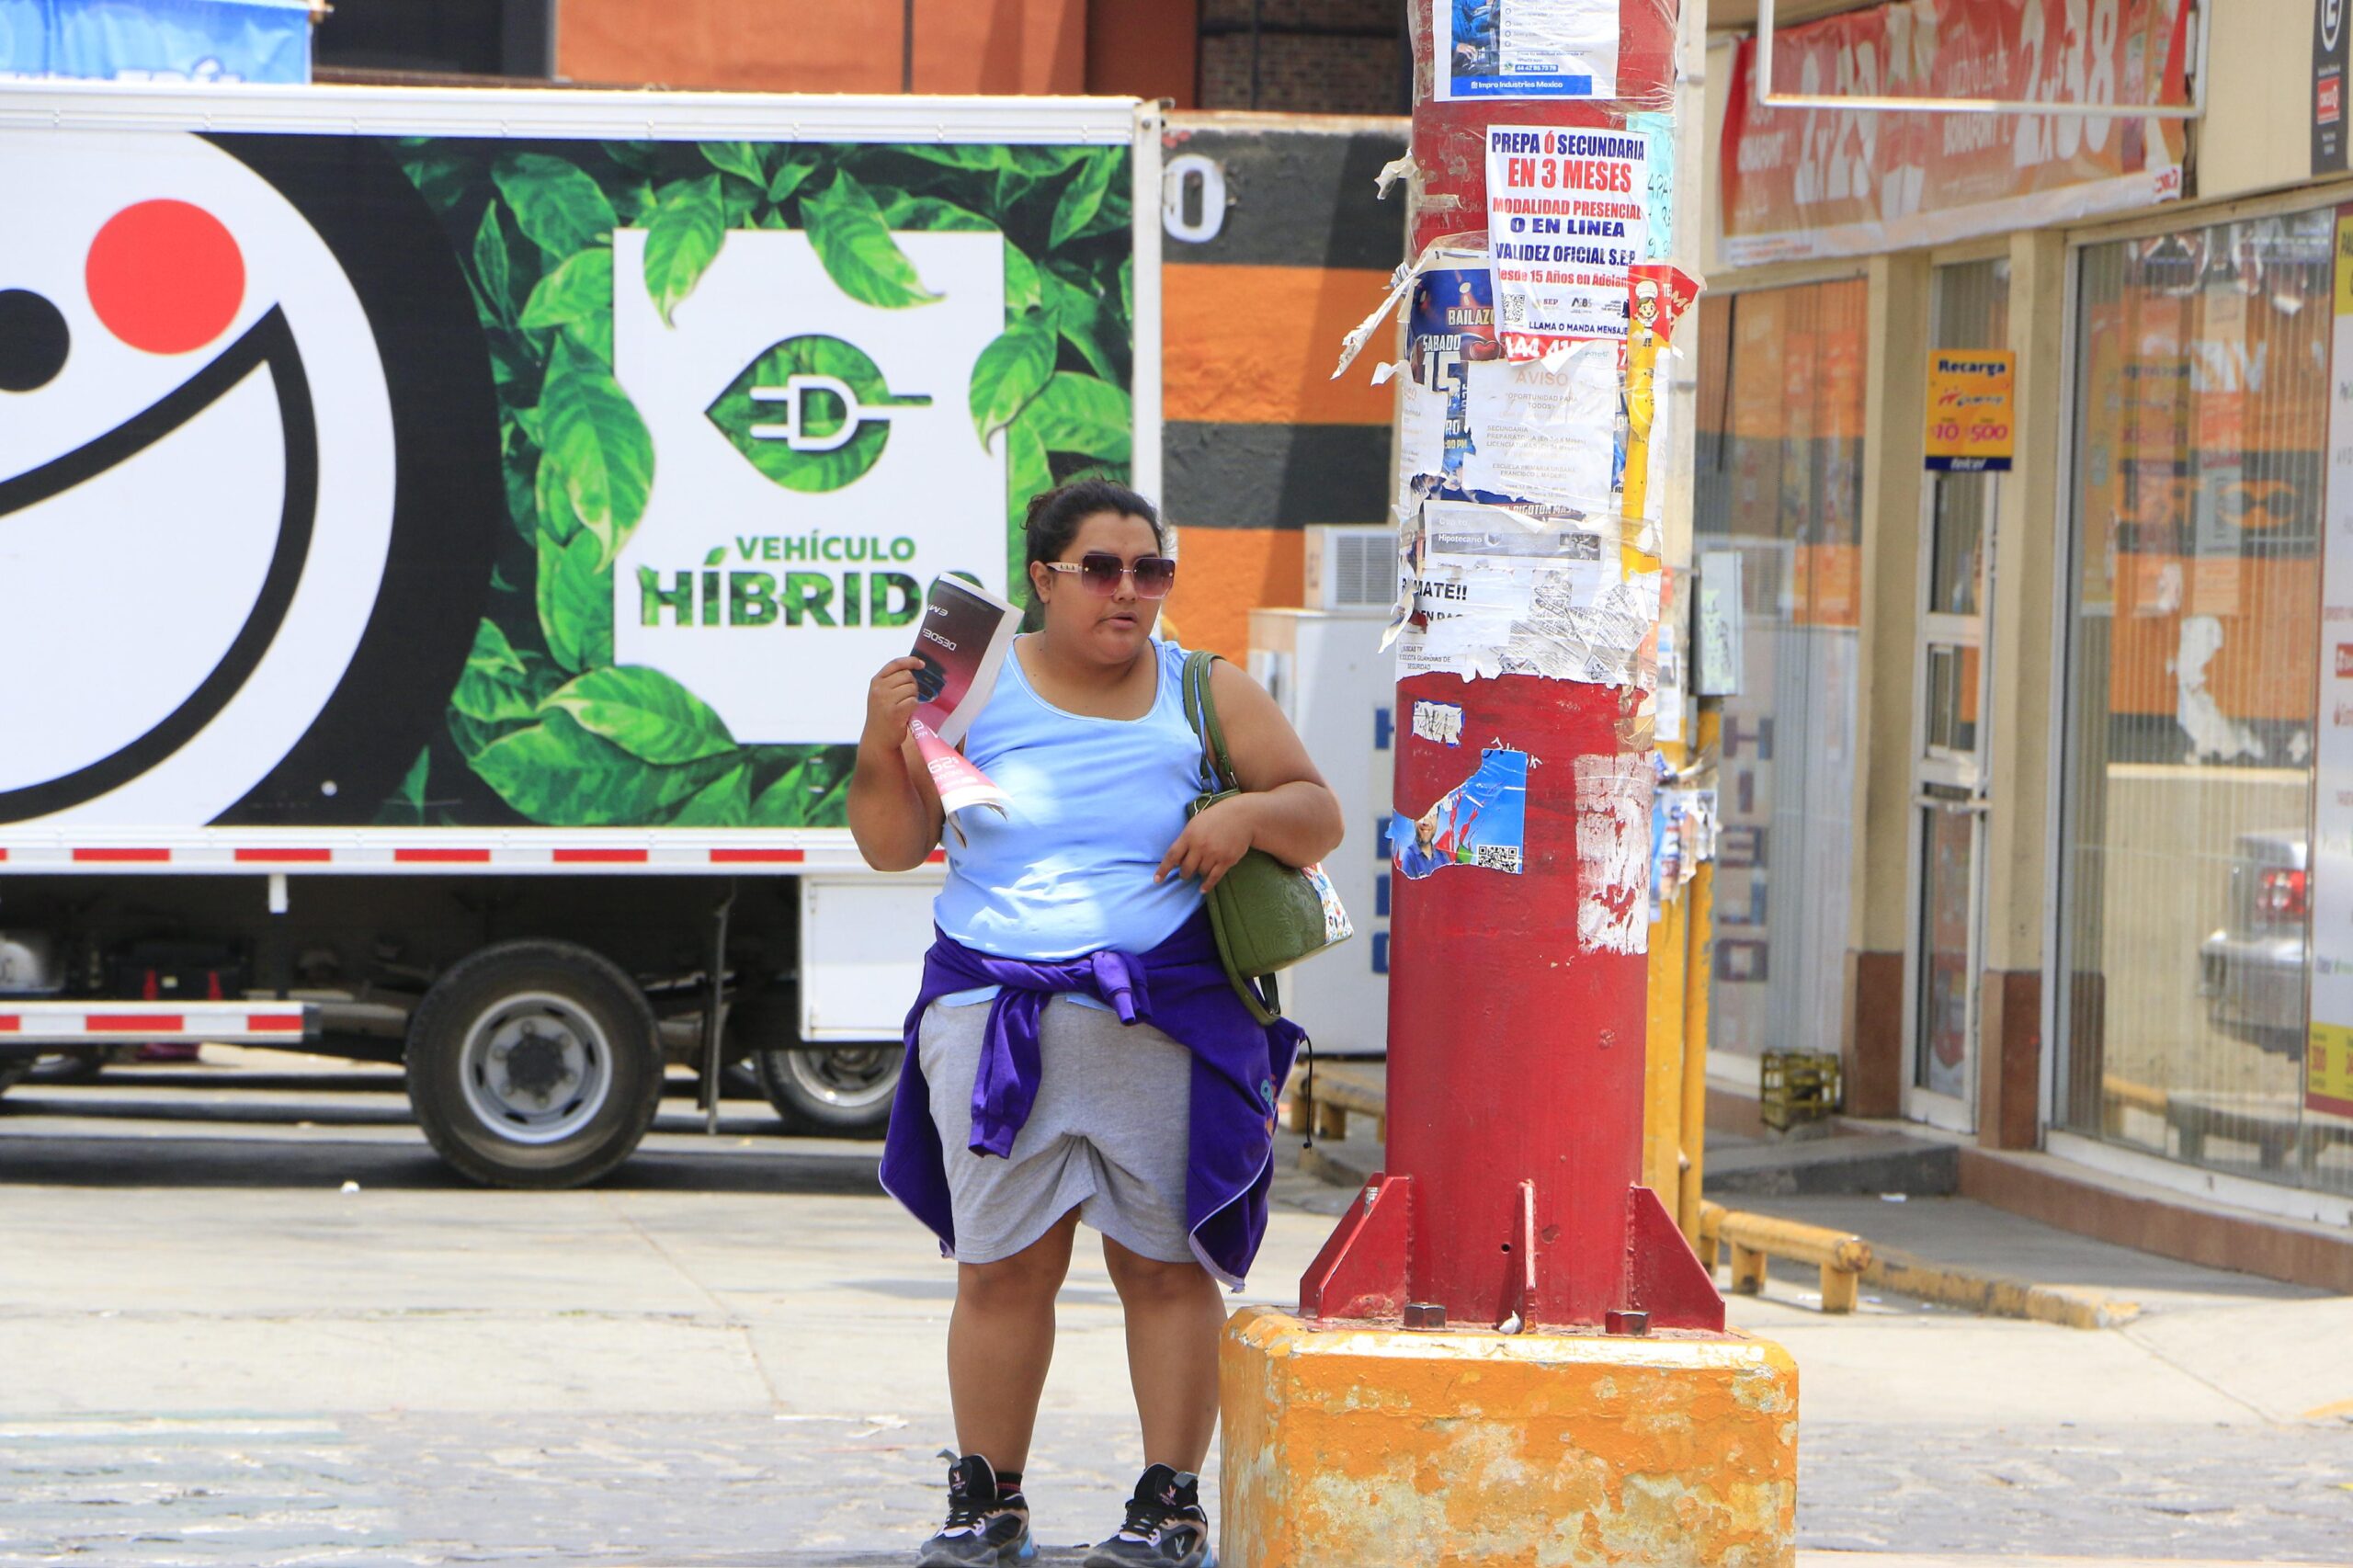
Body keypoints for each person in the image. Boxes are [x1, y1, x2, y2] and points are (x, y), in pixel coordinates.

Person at [850, 481, 1345, 1568]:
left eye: (1150, 570)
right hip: (994, 1018)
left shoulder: (1204, 687)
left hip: (1165, 1019)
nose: (1129, 591)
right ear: (1043, 577)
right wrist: (881, 741)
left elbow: (1317, 814)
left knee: (1164, 1268)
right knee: (1000, 1269)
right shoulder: (965, 688)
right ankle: (987, 1500)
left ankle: (1168, 1506)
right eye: (1102, 569)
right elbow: (890, 844)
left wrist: (1244, 812)